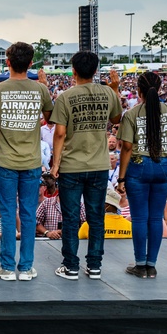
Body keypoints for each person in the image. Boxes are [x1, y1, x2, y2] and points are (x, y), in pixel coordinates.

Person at [0, 41, 53, 281]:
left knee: (6, 211)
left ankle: (6, 267)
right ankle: (25, 267)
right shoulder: (40, 90)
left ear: (7, 62)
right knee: (28, 214)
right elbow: (50, 119)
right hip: (32, 161)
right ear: (31, 63)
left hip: (5, 161)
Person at [50, 51, 121, 280]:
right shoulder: (108, 93)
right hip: (99, 164)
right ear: (95, 70)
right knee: (96, 216)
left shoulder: (65, 97)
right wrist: (116, 89)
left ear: (74, 70)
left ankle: (70, 266)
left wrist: (55, 164)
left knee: (71, 218)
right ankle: (95, 266)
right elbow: (117, 118)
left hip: (71, 165)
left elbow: (59, 134)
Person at [116, 72, 167, 278]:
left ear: (138, 90)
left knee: (139, 218)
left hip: (139, 166)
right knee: (156, 218)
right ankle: (152, 265)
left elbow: (127, 147)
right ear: (159, 89)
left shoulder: (132, 113)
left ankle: (140, 265)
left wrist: (121, 178)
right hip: (164, 166)